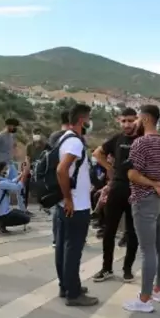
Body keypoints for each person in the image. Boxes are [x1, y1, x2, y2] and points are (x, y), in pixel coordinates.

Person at [123, 105, 160, 313]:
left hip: (144, 200)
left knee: (148, 250)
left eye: (136, 119)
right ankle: (157, 289)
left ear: (144, 119)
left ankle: (144, 300)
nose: (133, 122)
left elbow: (132, 174)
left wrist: (153, 185)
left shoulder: (140, 144)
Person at [92, 107, 140, 283]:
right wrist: (109, 168)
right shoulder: (117, 139)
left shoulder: (142, 138)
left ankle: (128, 269)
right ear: (119, 121)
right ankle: (107, 268)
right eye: (124, 121)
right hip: (117, 188)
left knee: (133, 232)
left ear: (137, 120)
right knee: (109, 230)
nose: (127, 124)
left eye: (130, 120)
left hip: (137, 188)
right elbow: (97, 153)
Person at [56, 103, 98, 307]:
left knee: (65, 247)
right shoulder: (75, 143)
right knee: (73, 249)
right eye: (88, 119)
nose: (90, 123)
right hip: (76, 205)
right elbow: (61, 171)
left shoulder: (65, 138)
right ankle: (73, 293)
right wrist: (70, 199)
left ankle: (67, 285)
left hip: (66, 203)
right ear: (82, 120)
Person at [47, 110, 71, 246]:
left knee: (58, 208)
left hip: (54, 176)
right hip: (66, 176)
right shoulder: (71, 137)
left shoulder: (54, 136)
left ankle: (57, 238)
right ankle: (66, 237)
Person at [0, 118, 26, 211]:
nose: (14, 128)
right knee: (5, 188)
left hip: (10, 164)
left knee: (19, 184)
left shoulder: (11, 136)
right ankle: (4, 209)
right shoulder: (0, 136)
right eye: (13, 126)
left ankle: (23, 209)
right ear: (8, 125)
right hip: (2, 166)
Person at [0, 161, 32, 233]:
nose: (7, 170)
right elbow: (18, 187)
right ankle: (1, 222)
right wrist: (24, 175)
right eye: (5, 169)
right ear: (1, 170)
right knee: (26, 218)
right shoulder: (1, 183)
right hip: (3, 214)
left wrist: (21, 175)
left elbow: (11, 182)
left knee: (21, 213)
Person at [25, 128, 47, 210]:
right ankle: (24, 206)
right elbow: (27, 158)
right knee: (26, 183)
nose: (37, 135)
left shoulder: (45, 145)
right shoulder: (29, 146)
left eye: (39, 133)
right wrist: (28, 168)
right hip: (32, 167)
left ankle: (43, 204)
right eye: (35, 133)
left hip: (42, 168)